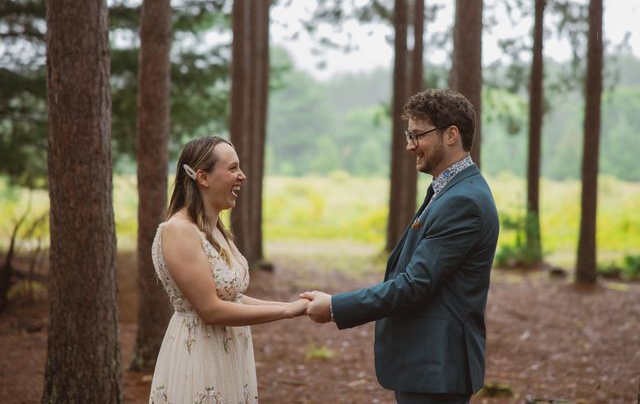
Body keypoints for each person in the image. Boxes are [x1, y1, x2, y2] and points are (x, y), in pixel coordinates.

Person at [302, 89, 499, 404]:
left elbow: (413, 285)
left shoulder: (463, 200)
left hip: (436, 368)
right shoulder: (451, 190)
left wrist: (335, 307)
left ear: (451, 135)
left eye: (417, 135)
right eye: (409, 135)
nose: (410, 146)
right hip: (429, 366)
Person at [149, 136, 308, 404]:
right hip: (198, 354)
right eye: (233, 168)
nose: (242, 176)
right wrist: (286, 311)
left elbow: (232, 297)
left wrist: (291, 305)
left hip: (229, 353)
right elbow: (211, 309)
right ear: (203, 177)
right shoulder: (178, 231)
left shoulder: (216, 229)